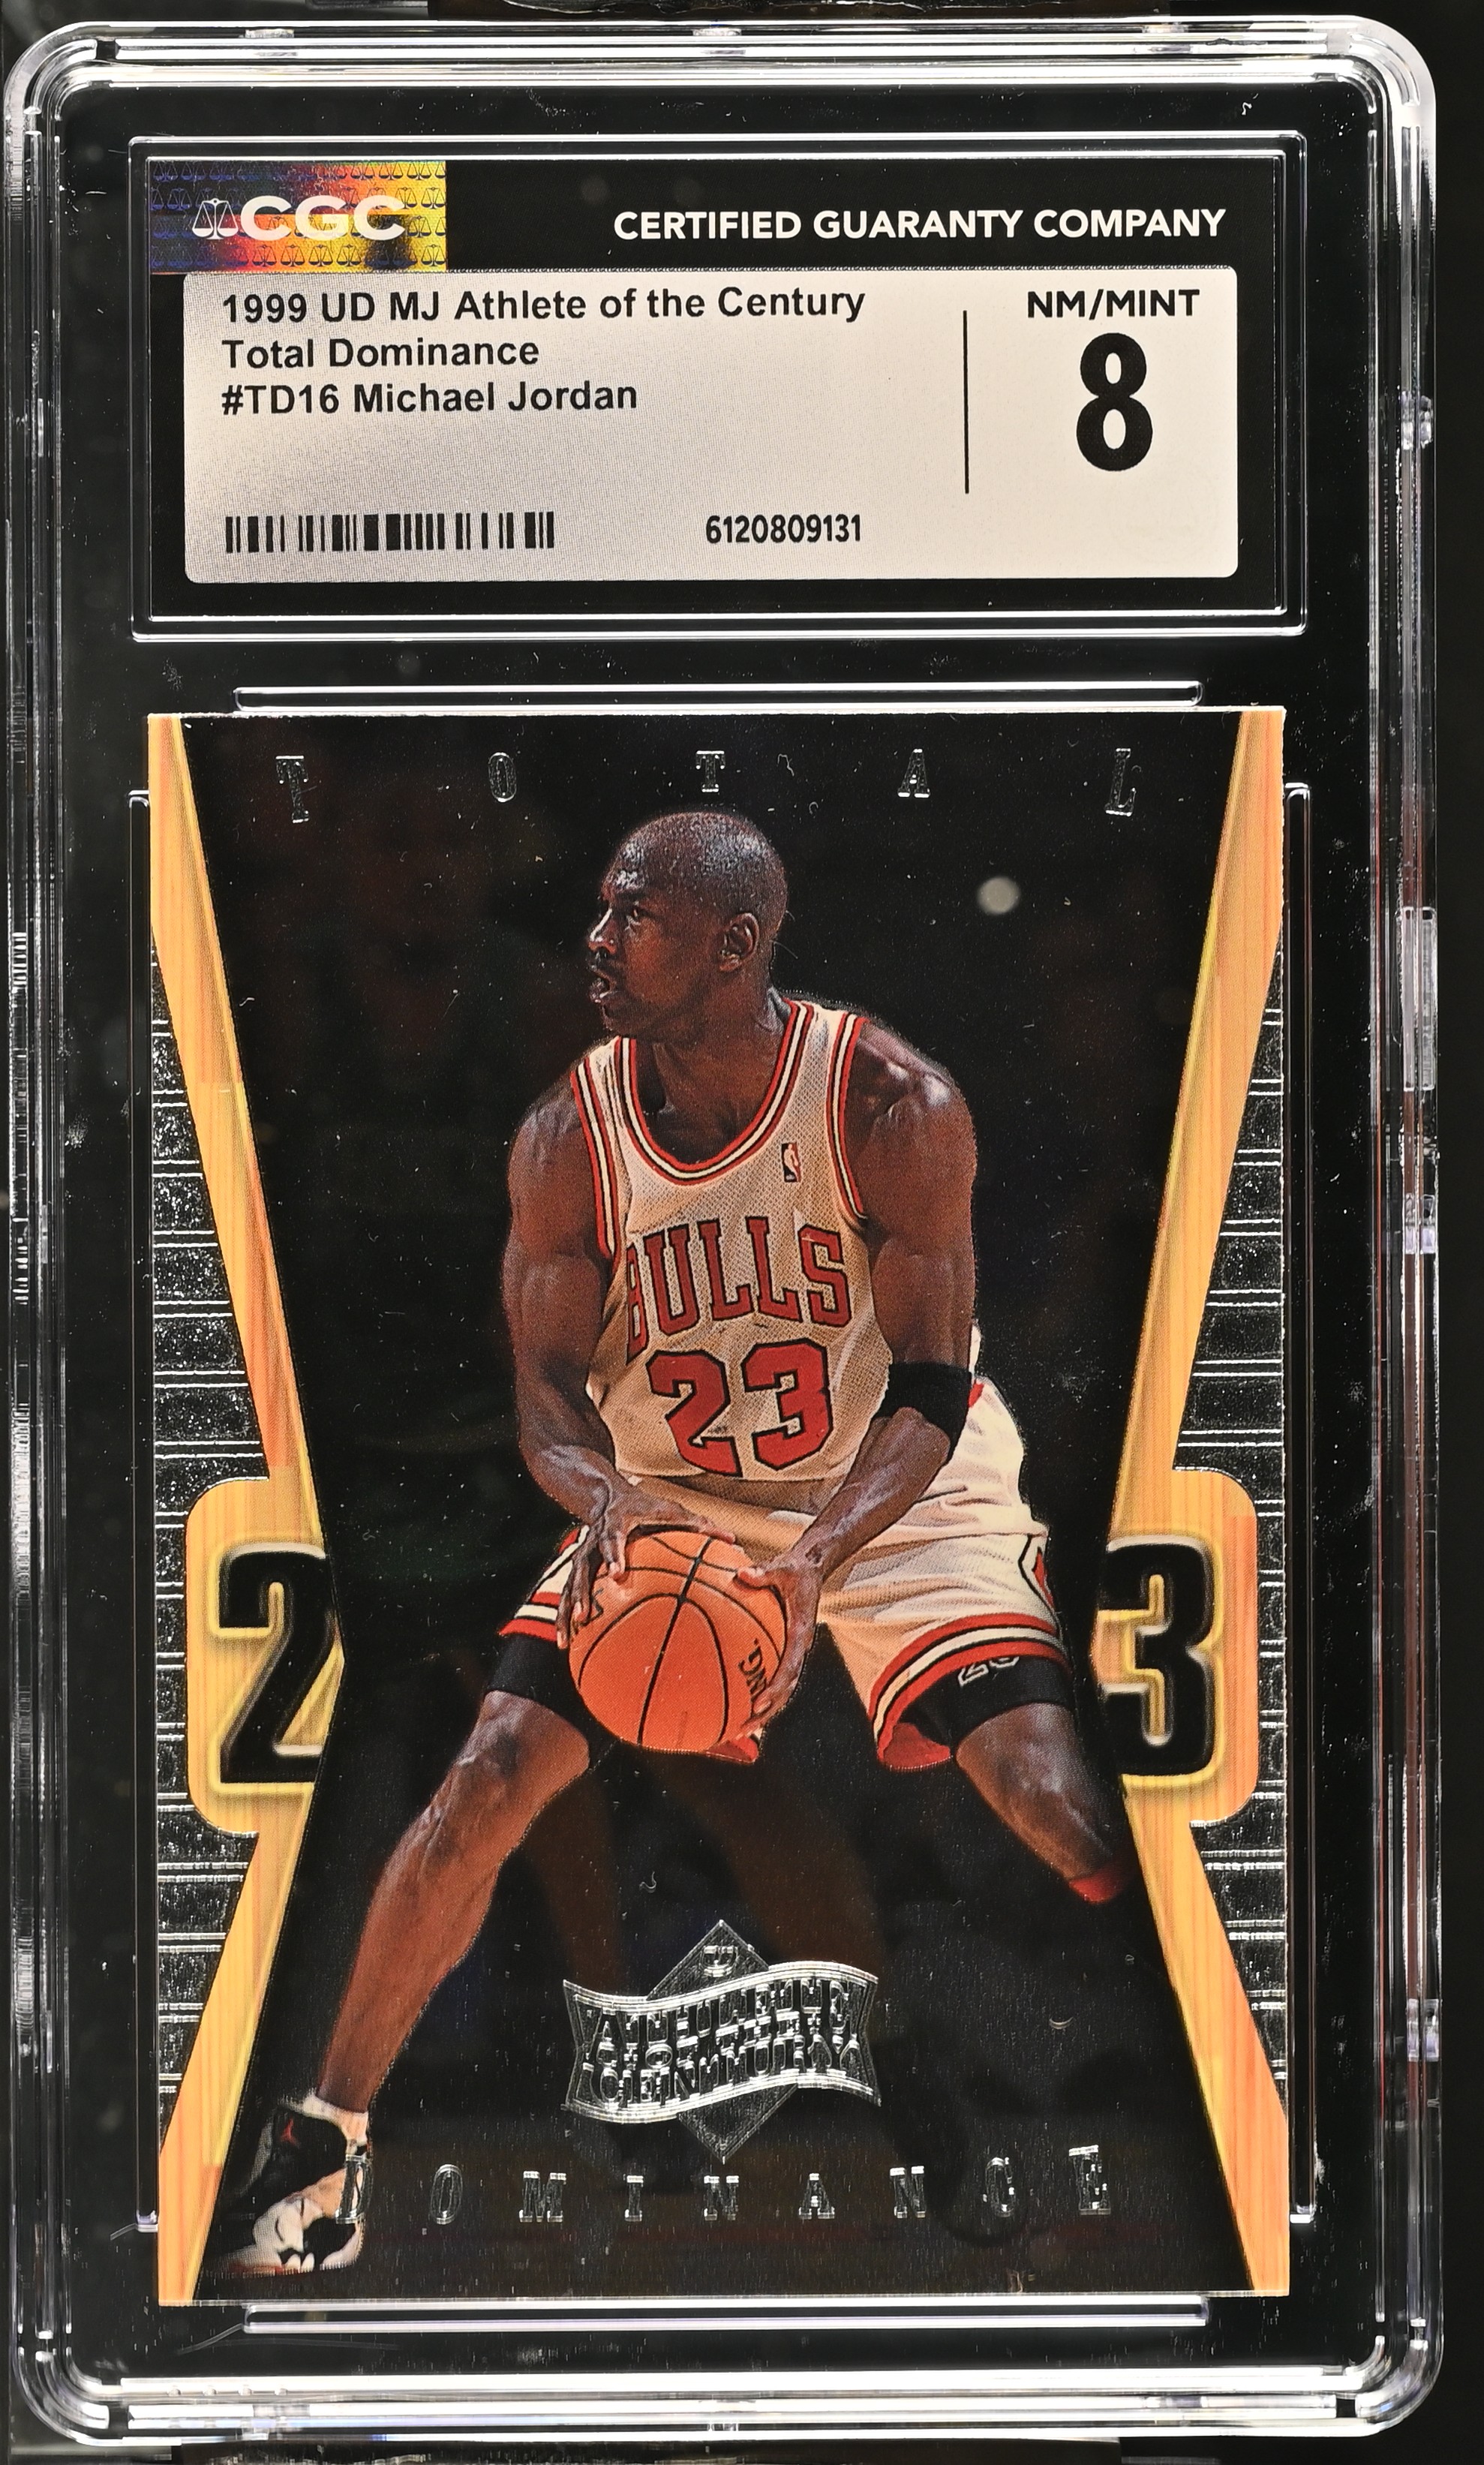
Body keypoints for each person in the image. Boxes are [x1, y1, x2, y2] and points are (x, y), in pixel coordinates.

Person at [213, 807, 1133, 2276]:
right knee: (490, 1776)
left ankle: (1204, 2024)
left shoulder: (891, 1104)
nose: (594, 940)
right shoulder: (567, 1132)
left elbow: (929, 1390)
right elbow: (544, 1394)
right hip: (679, 1489)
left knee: (1041, 1789)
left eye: (632, 914)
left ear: (732, 943)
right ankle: (325, 2140)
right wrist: (603, 1496)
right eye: (599, 907)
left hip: (894, 1483)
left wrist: (816, 1553)